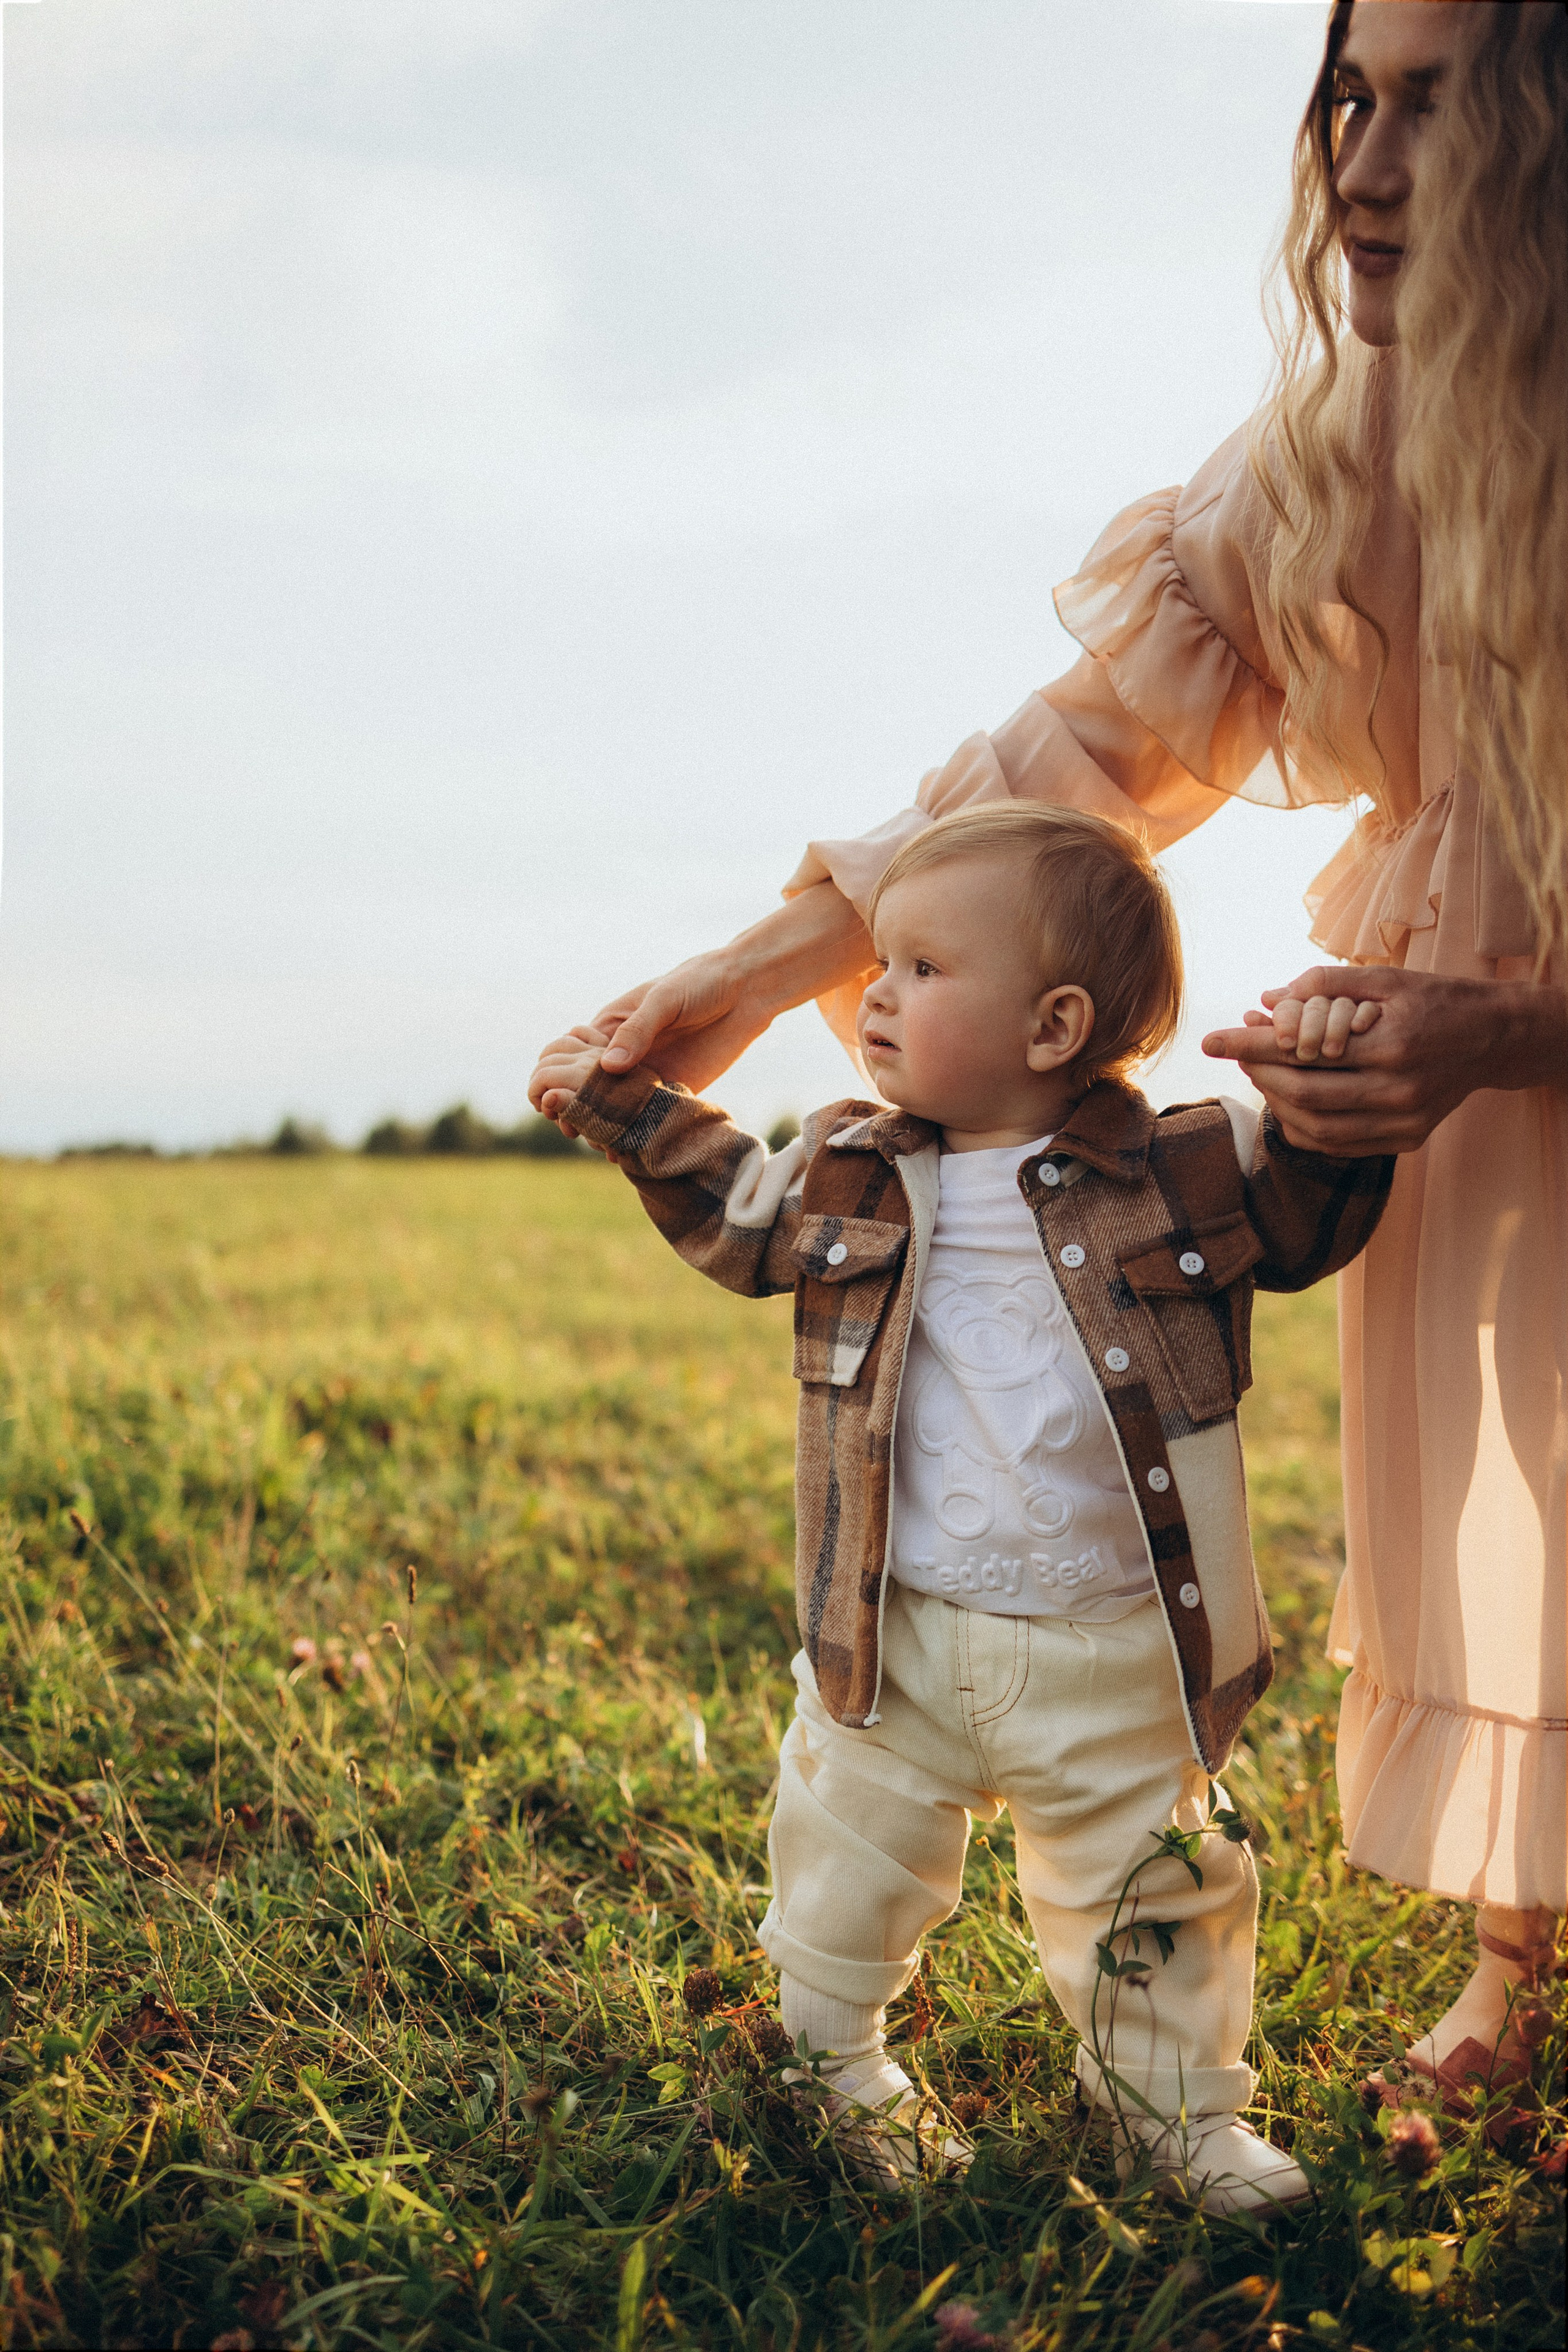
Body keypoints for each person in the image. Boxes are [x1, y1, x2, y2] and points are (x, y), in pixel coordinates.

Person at [530, 1, 1567, 2103]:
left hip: (1507, 1028)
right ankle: (1518, 1964)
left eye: (1439, 108)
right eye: (1349, 98)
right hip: (1450, 1063)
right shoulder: (1333, 450)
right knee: (1504, 1489)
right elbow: (1075, 764)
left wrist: (1518, 1019)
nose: (1362, 167)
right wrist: (743, 977)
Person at [535, 802, 1394, 2209]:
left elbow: (1307, 1218)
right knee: (843, 1861)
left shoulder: (1184, 1166)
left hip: (1113, 1638)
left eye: (923, 969)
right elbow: (735, 1215)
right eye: (884, 962)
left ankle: (1167, 2116)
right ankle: (833, 2068)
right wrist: (624, 1106)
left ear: (1051, 1025)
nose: (874, 991)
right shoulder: (849, 1166)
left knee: (1152, 1889)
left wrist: (1323, 1100)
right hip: (898, 1623)